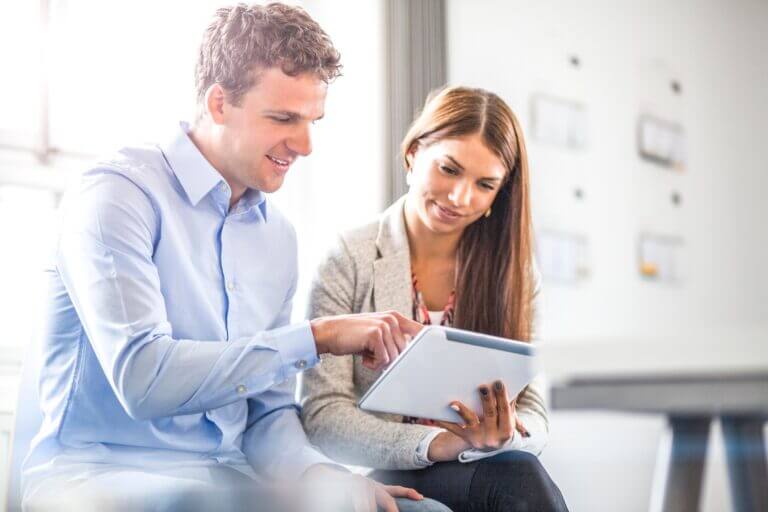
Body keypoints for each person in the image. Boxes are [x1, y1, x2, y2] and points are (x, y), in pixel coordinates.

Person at [21, 3, 451, 511]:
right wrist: (316, 337)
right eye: (284, 118)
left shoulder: (277, 238)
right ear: (219, 103)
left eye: (313, 120)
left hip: (229, 478)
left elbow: (265, 417)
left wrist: (321, 475)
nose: (307, 144)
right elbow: (143, 378)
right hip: (100, 476)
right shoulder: (118, 197)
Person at [301, 85, 569, 511]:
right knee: (518, 480)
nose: (461, 197)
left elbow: (534, 410)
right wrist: (437, 443)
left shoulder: (516, 275)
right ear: (412, 155)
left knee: (518, 471)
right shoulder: (348, 257)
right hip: (391, 466)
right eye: (449, 169)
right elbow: (322, 415)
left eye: (484, 184)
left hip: (488, 464)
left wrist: (507, 434)